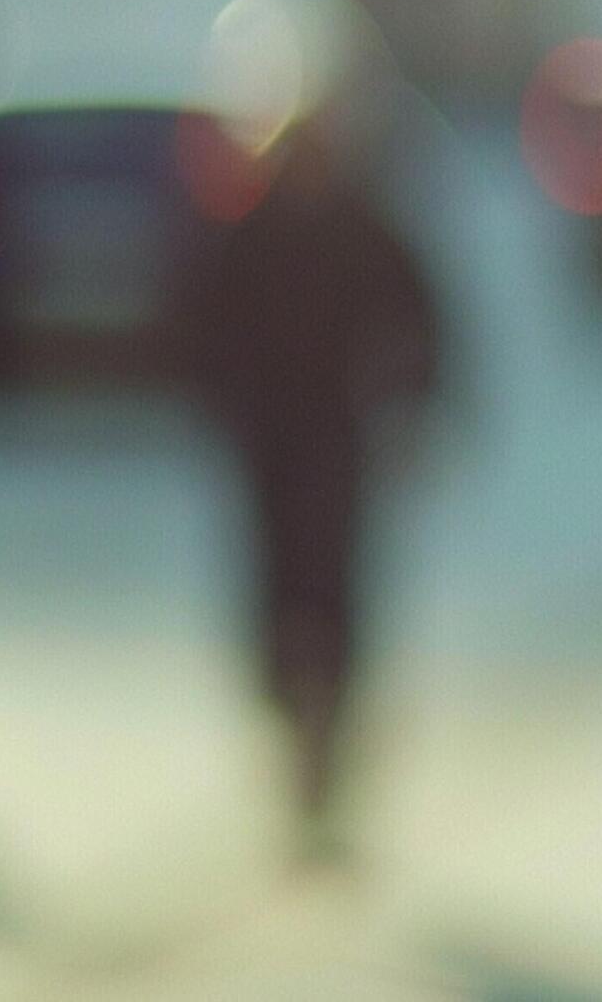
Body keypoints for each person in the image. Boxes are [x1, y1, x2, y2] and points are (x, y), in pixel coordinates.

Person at [173, 115, 445, 871]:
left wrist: (416, 400)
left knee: (335, 600)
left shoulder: (363, 230)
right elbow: (202, 330)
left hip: (337, 445)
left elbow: (422, 317)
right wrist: (224, 410)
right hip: (270, 451)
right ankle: (292, 725)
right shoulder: (250, 238)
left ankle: (327, 755)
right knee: (277, 597)